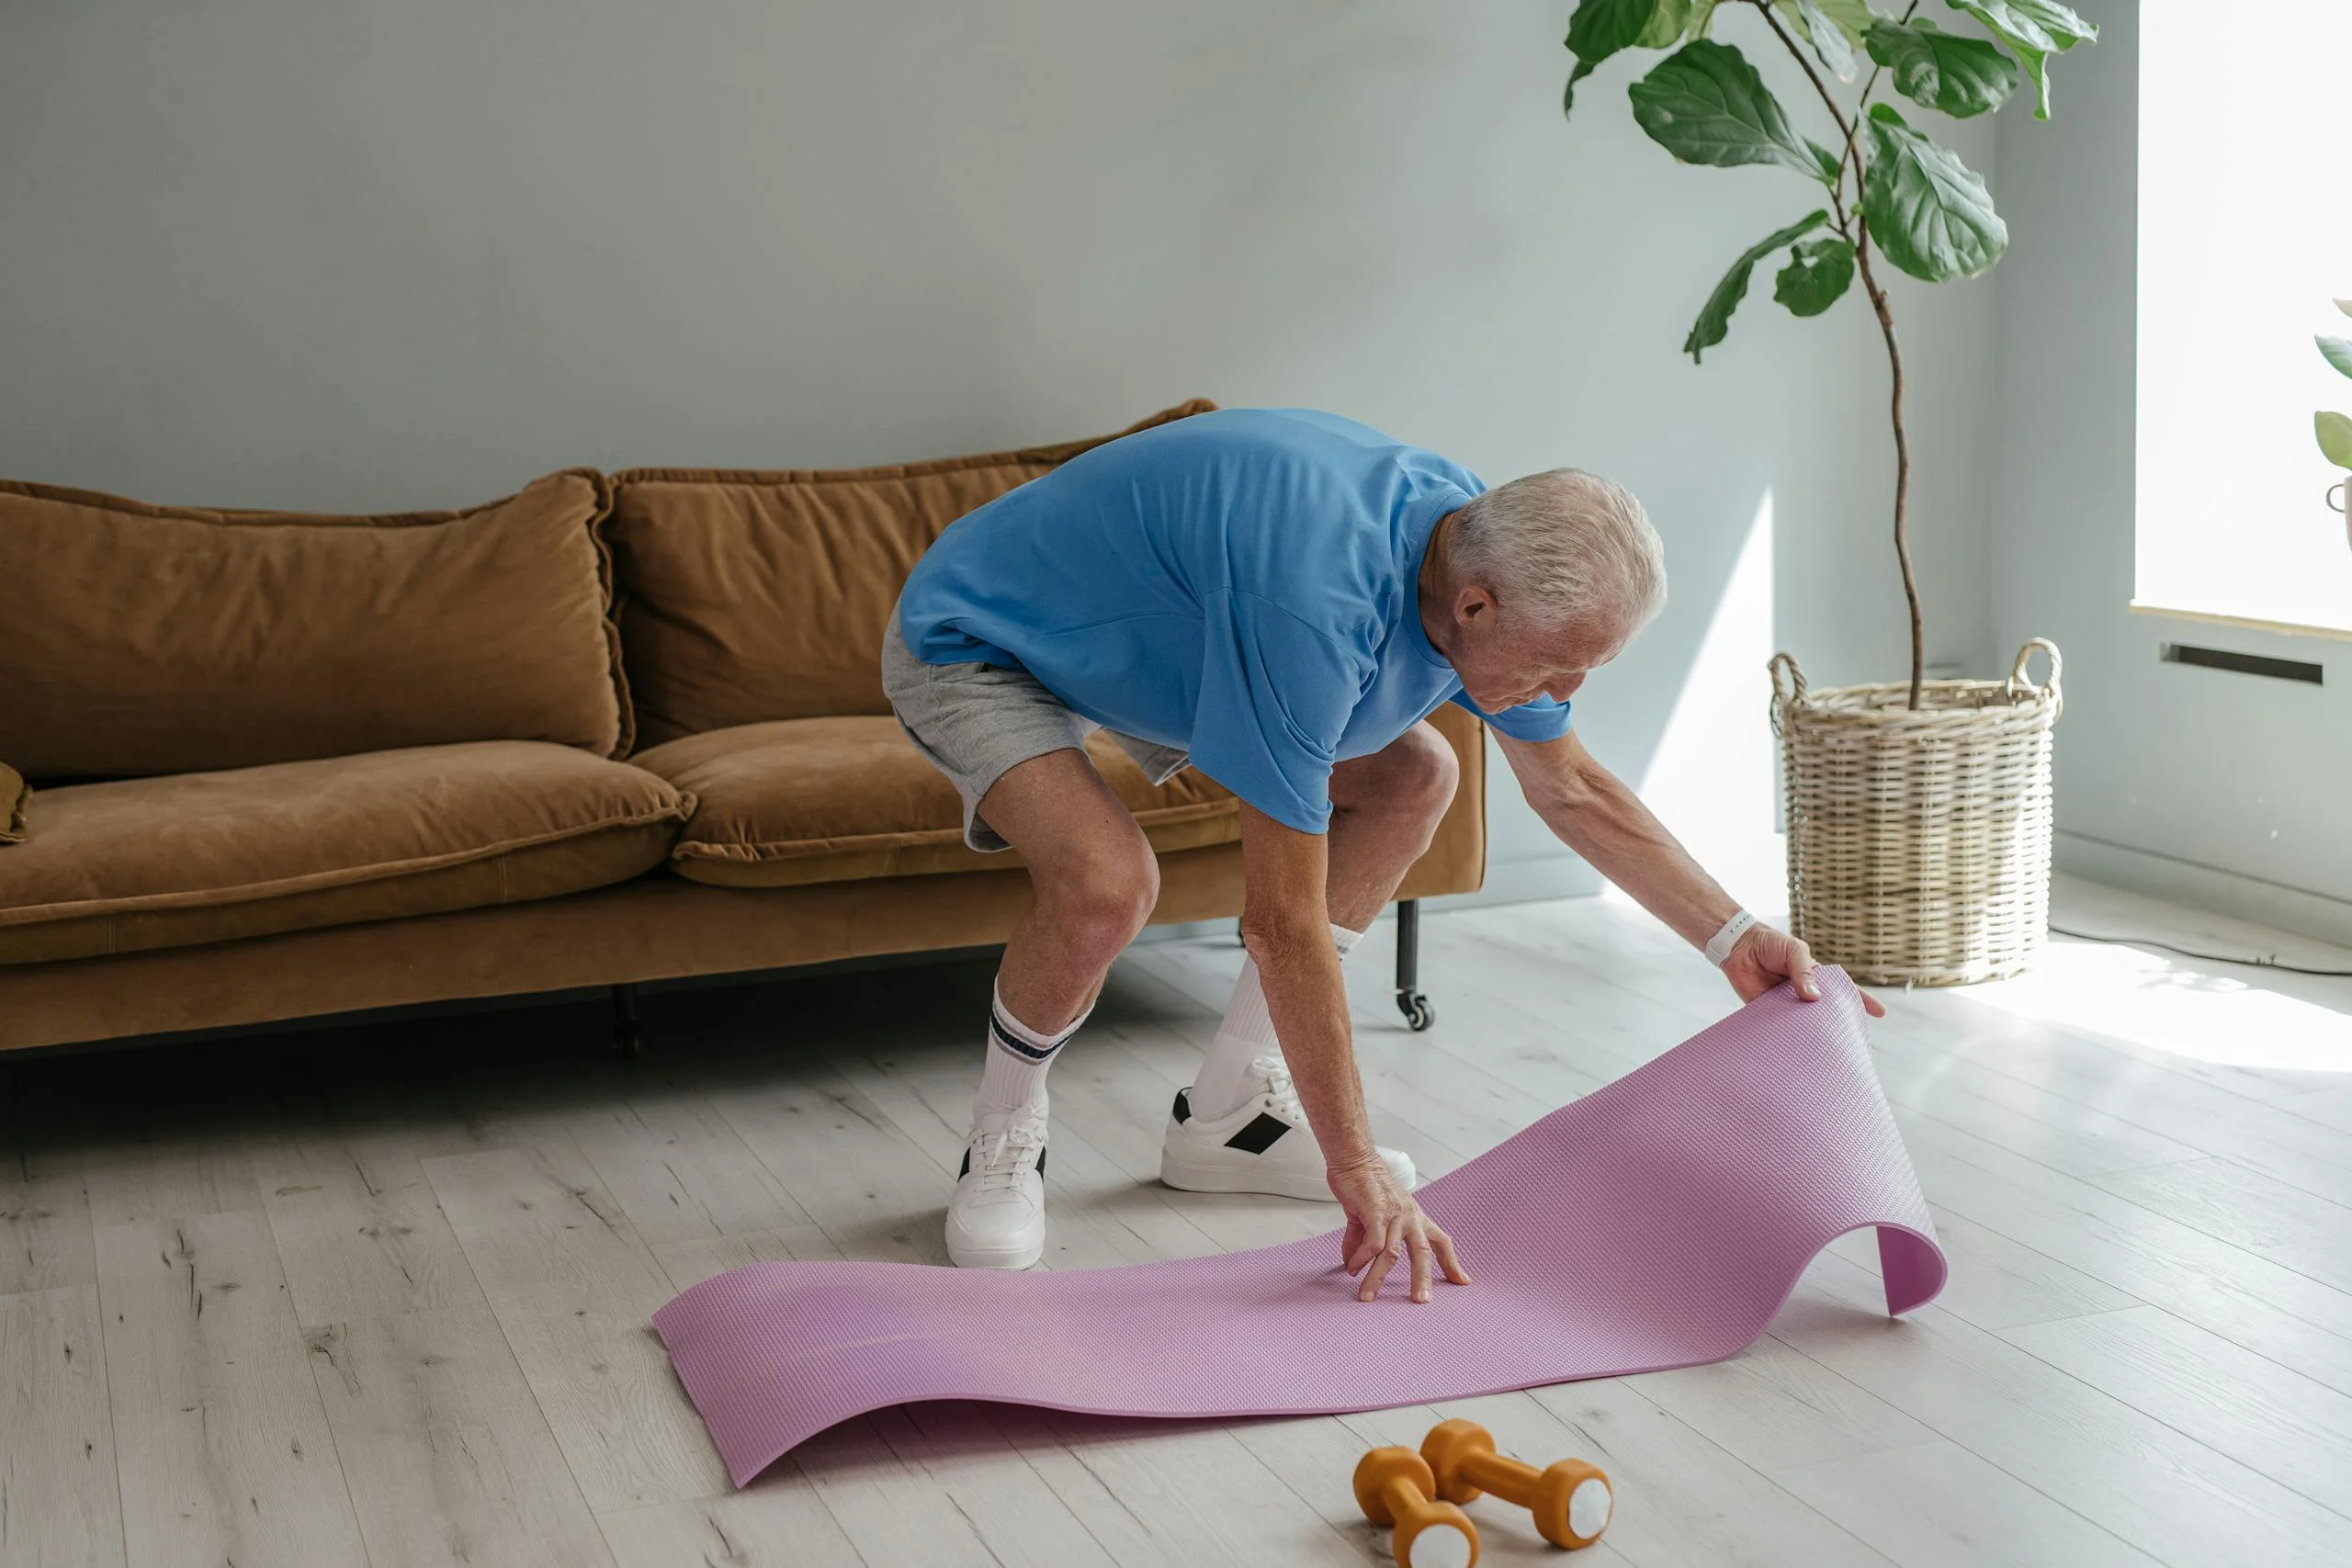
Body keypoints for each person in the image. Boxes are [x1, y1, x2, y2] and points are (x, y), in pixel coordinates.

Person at [883, 407, 1881, 1302]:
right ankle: (1003, 1137)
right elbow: (1281, 926)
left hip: (1159, 642)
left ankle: (1228, 1115)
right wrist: (1351, 1168)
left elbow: (1569, 784)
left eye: (1590, 661)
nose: (1566, 685)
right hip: (985, 637)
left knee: (1417, 778)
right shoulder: (1313, 609)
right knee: (1110, 884)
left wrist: (1733, 936)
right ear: (1477, 608)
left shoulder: (1467, 545)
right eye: (1559, 659)